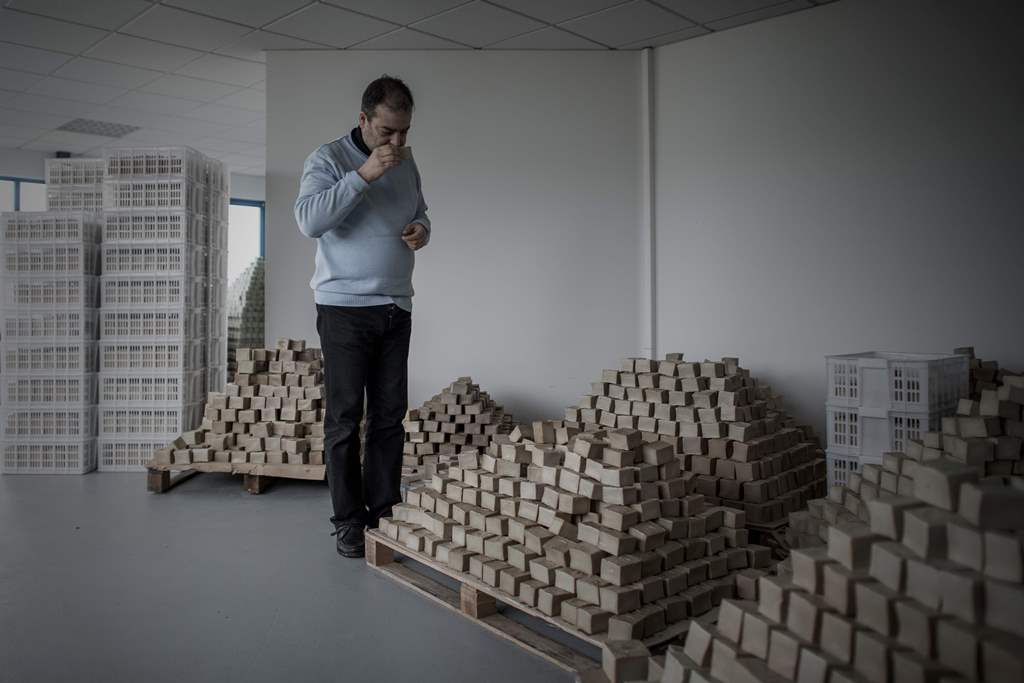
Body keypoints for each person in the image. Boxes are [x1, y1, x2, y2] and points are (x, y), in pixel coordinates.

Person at [294, 75, 430, 558]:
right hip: (344, 310)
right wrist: (365, 174)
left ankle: (384, 509)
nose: (396, 142)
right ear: (363, 120)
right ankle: (348, 521)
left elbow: (421, 211)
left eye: (404, 132)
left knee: (390, 417)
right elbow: (309, 220)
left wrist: (421, 230)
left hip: (396, 306)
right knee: (345, 420)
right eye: (387, 131)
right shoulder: (327, 159)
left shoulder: (406, 164)